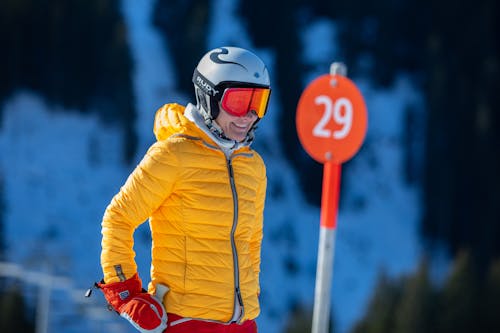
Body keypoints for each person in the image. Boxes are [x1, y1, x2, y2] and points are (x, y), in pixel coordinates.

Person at [95, 46, 271, 333]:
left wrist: (248, 299)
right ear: (209, 96)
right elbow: (118, 217)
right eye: (239, 101)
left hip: (241, 324)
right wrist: (126, 293)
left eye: (259, 102)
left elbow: (251, 241)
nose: (249, 115)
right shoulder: (173, 154)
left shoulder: (253, 166)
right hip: (186, 322)